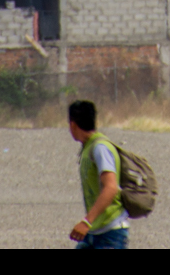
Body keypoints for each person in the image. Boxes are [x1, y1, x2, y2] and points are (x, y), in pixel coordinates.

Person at [67, 100, 128, 249]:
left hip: (110, 233)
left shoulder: (100, 147)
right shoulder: (89, 147)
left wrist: (86, 221)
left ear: (73, 125)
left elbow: (111, 187)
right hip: (94, 232)